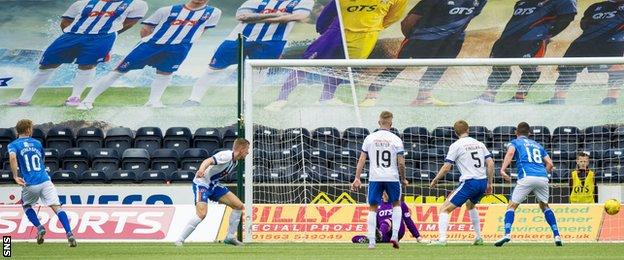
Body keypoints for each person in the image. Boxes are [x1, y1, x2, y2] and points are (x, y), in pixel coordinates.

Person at [77, 0, 221, 110]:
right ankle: (87, 101)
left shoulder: (214, 13)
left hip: (179, 49)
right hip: (150, 46)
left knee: (165, 73)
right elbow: (146, 28)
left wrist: (186, 41)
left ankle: (153, 102)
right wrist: (151, 42)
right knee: (118, 71)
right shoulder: (168, 10)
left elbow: (202, 29)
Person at [7, 0, 148, 107]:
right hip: (71, 36)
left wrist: (109, 34)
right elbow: (66, 21)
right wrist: (73, 36)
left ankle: (75, 97)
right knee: (46, 65)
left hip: (102, 37)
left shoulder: (136, 4)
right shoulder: (82, 2)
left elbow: (129, 23)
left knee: (87, 65)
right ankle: (24, 98)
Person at [183, 0, 314, 106]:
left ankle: (244, 102)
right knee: (214, 69)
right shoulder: (256, 0)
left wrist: (256, 17)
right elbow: (241, 17)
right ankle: (194, 99)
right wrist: (277, 16)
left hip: (273, 41)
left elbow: (300, 16)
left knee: (258, 72)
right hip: (237, 38)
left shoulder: (303, 1)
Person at [359, 0, 487, 107]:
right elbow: (408, 22)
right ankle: (373, 94)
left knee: (438, 68)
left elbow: (470, 17)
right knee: (397, 66)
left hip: (452, 40)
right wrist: (414, 37)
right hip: (422, 38)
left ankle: (424, 96)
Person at [474, 0, 577, 104]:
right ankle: (488, 96)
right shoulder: (521, 3)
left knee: (530, 69)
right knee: (499, 67)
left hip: (531, 40)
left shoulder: (562, 1)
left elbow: (567, 18)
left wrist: (547, 34)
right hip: (506, 40)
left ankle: (519, 98)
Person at [264, 0, 346, 111]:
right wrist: (326, 31)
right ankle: (281, 99)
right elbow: (326, 15)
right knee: (305, 65)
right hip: (333, 36)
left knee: (340, 67)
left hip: (353, 39)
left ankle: (327, 97)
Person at [8, 119, 76, 247]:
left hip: (30, 183)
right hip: (45, 180)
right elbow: (42, 160)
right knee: (57, 207)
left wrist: (16, 176)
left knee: (27, 206)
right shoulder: (37, 143)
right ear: (28, 130)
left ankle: (39, 227)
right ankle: (69, 233)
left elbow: (12, 157)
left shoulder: (13, 145)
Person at [542, 0, 624, 105]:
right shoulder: (596, 6)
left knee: (616, 68)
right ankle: (558, 99)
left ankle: (611, 99)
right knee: (566, 67)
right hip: (584, 41)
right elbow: (584, 24)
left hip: (613, 41)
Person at [495, 122, 562, 247]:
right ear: (529, 133)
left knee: (511, 206)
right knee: (545, 206)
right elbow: (550, 164)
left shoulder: (515, 142)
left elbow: (510, 153)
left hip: (526, 177)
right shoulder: (537, 145)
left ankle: (507, 234)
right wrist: (542, 174)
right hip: (542, 178)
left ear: (516, 132)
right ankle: (557, 235)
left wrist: (502, 170)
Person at [429, 120, 494, 245]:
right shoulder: (479, 144)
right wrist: (489, 183)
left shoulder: (456, 145)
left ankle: (442, 239)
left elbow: (447, 167)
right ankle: (478, 237)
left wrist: (436, 179)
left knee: (444, 209)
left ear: (455, 132)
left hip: (470, 182)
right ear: (468, 129)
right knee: (470, 205)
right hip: (482, 182)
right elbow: (490, 163)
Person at [175, 138, 250, 246]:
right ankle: (180, 240)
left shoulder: (236, 161)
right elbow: (208, 161)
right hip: (202, 184)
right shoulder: (227, 155)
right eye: (247, 149)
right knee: (202, 213)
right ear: (242, 149)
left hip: (213, 185)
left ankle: (229, 238)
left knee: (238, 206)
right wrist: (201, 170)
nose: (248, 152)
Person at [351, 111, 408, 249]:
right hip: (392, 177)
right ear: (391, 123)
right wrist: (403, 178)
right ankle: (394, 236)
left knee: (372, 208)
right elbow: (401, 163)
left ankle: (371, 241)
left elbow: (362, 159)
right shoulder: (396, 139)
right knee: (396, 204)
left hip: (375, 177)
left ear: (379, 122)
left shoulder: (370, 138)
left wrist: (357, 178)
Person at [351, 192, 426, 244]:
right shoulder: (377, 205)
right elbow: (376, 224)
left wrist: (418, 237)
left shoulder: (399, 203)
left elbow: (408, 221)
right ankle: (370, 239)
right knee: (355, 238)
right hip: (385, 233)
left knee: (387, 221)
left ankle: (378, 236)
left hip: (398, 230)